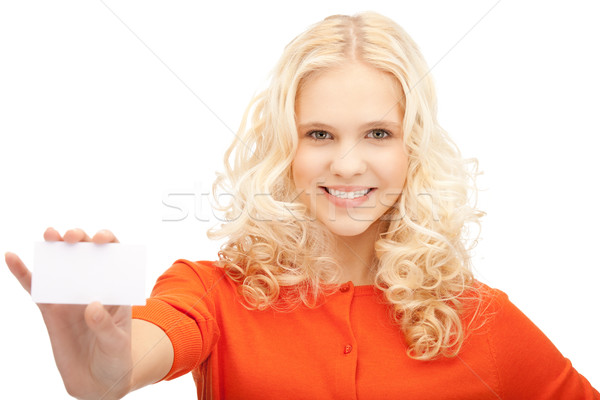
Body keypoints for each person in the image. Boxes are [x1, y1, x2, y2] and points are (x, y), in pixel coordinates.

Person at [5, 11, 599, 400]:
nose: (346, 164)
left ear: (413, 149)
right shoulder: (212, 293)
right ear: (284, 148)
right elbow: (149, 343)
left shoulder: (479, 319)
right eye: (319, 135)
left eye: (377, 134)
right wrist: (106, 371)